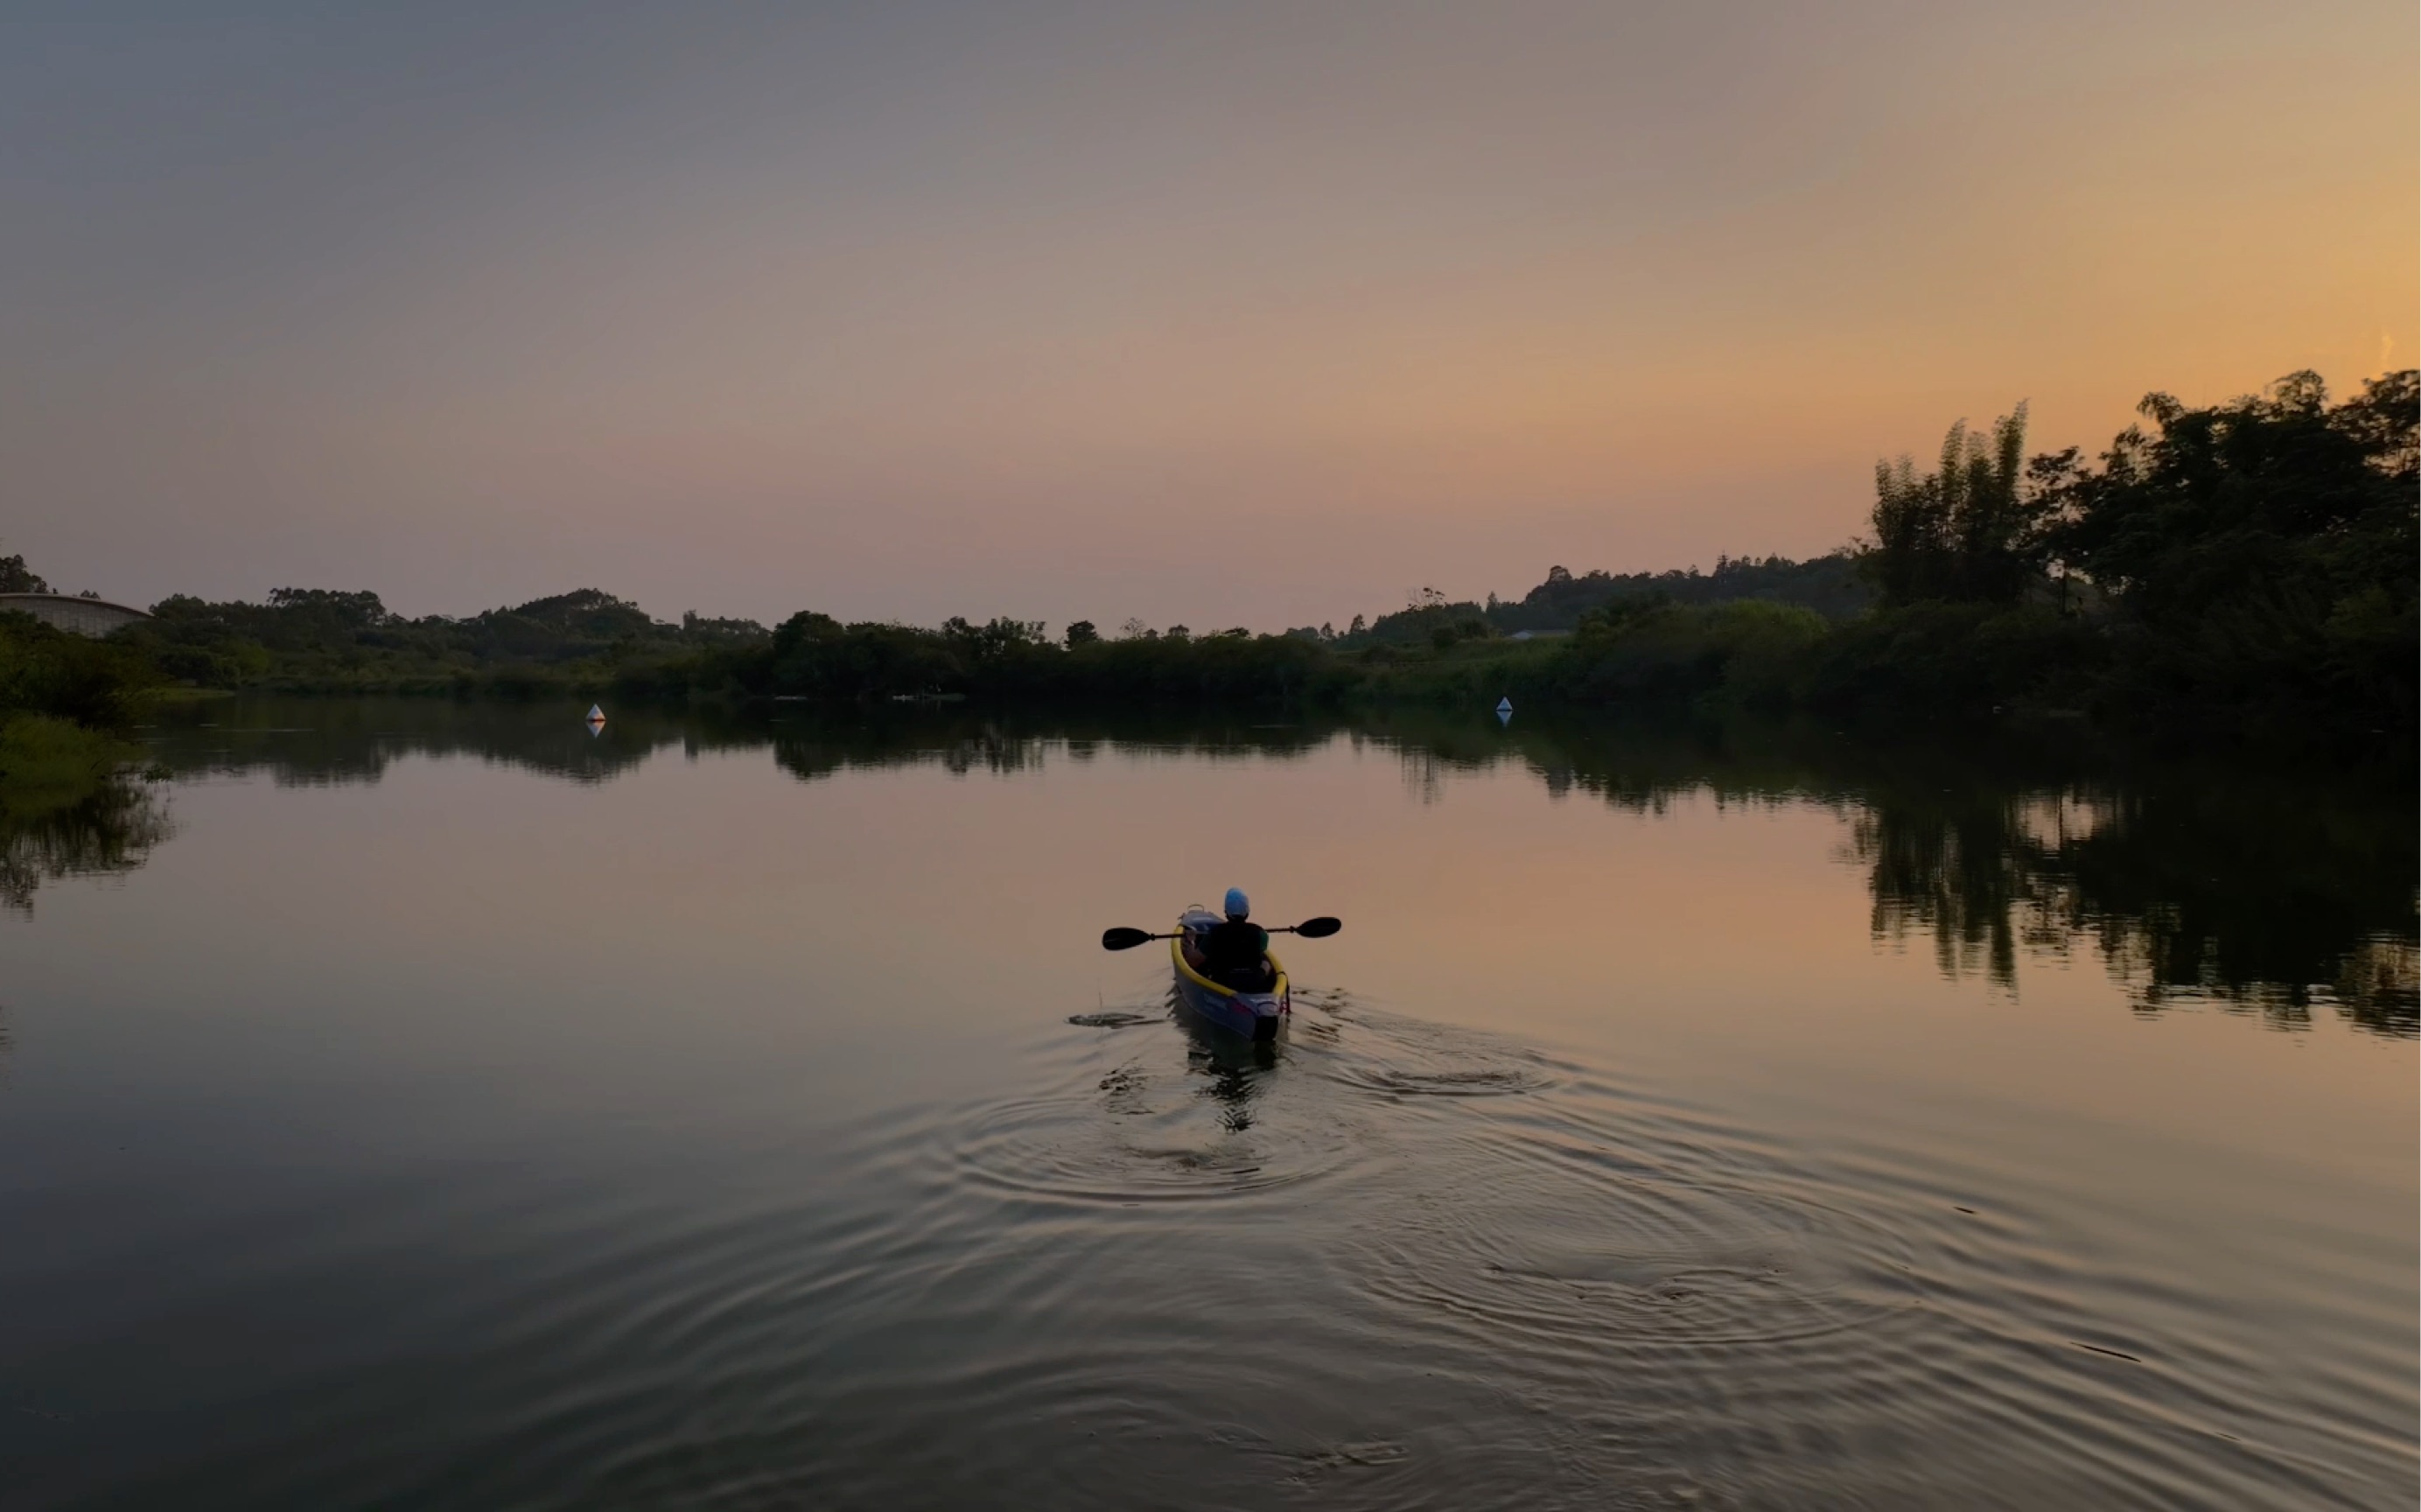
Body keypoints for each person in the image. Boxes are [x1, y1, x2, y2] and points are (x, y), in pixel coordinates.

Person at [1191, 887, 1272, 990]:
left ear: (1226, 911)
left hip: (1223, 982)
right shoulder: (1261, 933)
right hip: (1253, 982)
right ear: (1247, 911)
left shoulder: (1214, 933)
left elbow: (1194, 961)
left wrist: (1190, 941)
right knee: (1266, 962)